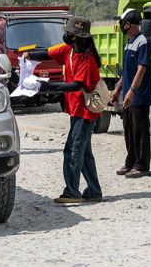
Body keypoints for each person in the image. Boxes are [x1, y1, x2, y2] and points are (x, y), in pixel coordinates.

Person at [23, 16, 104, 203]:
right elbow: (47, 54)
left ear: (75, 37)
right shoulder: (68, 50)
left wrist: (47, 86)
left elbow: (76, 85)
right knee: (84, 152)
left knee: (73, 150)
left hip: (85, 112)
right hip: (76, 110)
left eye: (68, 32)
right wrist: (30, 54)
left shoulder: (86, 58)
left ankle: (72, 192)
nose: (65, 35)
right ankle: (93, 190)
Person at [109, 9, 151, 178]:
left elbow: (142, 68)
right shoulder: (129, 42)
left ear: (128, 24)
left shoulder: (142, 42)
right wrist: (117, 90)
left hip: (139, 95)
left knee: (140, 130)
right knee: (128, 129)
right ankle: (130, 162)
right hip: (128, 95)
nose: (122, 26)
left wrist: (132, 91)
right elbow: (126, 71)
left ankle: (142, 166)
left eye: (123, 22)